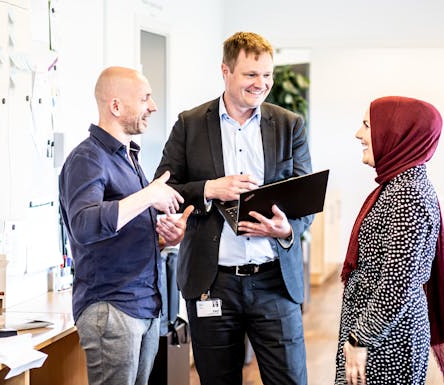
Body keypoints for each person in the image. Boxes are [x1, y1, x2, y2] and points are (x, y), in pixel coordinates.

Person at [154, 31, 312, 385]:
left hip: (275, 282)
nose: (262, 84)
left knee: (290, 379)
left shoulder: (290, 126)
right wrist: (210, 188)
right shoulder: (190, 124)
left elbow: (305, 202)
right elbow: (162, 188)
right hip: (213, 283)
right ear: (225, 71)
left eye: (268, 75)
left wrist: (287, 230)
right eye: (251, 74)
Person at [58, 66, 194, 385]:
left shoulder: (128, 157)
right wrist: (148, 196)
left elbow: (120, 228)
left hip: (143, 304)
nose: (153, 106)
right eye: (145, 98)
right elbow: (84, 224)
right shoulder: (87, 159)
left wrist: (162, 237)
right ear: (116, 106)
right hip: (112, 307)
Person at [336, 96, 444, 385]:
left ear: (396, 133)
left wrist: (361, 339)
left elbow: (398, 283)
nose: (358, 134)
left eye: (367, 125)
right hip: (380, 333)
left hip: (389, 338)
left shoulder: (407, 195)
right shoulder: (398, 186)